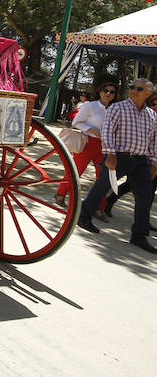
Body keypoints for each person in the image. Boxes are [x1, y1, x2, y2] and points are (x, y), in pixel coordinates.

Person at [76, 79, 157, 254]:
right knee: (101, 187)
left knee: (145, 197)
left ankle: (139, 236)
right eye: (132, 87)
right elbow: (107, 131)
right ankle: (83, 216)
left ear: (148, 94)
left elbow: (154, 141)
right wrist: (110, 154)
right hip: (118, 157)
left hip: (142, 161)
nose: (134, 90)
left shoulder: (152, 115)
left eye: (139, 88)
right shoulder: (117, 108)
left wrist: (154, 163)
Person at [53, 81, 117, 215]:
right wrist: (93, 131)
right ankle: (60, 194)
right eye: (106, 90)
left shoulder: (115, 109)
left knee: (103, 177)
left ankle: (99, 208)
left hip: (105, 146)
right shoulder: (91, 106)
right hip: (87, 143)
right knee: (76, 172)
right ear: (100, 91)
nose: (108, 94)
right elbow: (76, 122)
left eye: (112, 92)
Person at [103, 93, 157, 220]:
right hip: (143, 159)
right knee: (139, 188)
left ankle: (110, 201)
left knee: (145, 190)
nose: (155, 107)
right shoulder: (147, 117)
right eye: (153, 104)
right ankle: (108, 201)